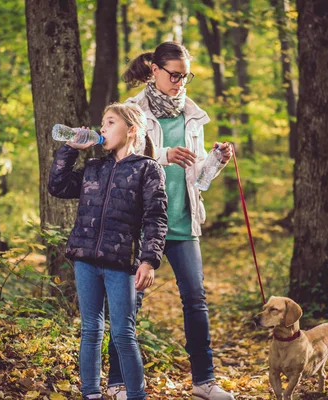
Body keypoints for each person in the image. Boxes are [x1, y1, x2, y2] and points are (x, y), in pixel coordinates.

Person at [106, 42, 235, 400]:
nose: (180, 82)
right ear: (154, 70)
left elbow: (199, 178)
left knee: (195, 300)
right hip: (141, 224)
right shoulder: (131, 110)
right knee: (130, 303)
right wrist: (163, 154)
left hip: (183, 221)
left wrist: (217, 159)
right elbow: (121, 155)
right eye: (174, 74)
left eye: (185, 75)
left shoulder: (193, 115)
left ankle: (204, 382)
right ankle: (118, 383)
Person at [48, 103, 168, 400]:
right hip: (85, 259)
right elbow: (57, 186)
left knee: (123, 333)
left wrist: (149, 261)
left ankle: (136, 395)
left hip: (121, 263)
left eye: (110, 122)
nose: (102, 129)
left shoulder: (147, 168)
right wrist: (70, 149)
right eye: (102, 123)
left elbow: (156, 217)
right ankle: (91, 393)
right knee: (91, 329)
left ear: (131, 130)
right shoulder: (93, 167)